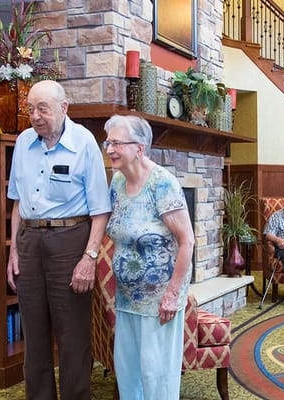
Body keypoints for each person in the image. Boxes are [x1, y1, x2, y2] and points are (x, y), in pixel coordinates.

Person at [6, 80, 111, 400]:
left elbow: (100, 210)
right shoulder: (23, 142)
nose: (35, 116)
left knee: (72, 335)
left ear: (64, 108)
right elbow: (17, 203)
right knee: (34, 335)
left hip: (70, 241)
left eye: (43, 109)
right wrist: (13, 252)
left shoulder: (84, 142)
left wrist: (89, 258)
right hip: (29, 241)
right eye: (30, 110)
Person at [103, 115, 194, 399]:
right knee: (128, 372)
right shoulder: (118, 181)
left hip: (160, 301)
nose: (109, 149)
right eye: (108, 143)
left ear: (139, 148)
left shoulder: (162, 184)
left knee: (157, 376)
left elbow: (187, 241)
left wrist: (172, 294)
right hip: (127, 298)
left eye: (116, 143)